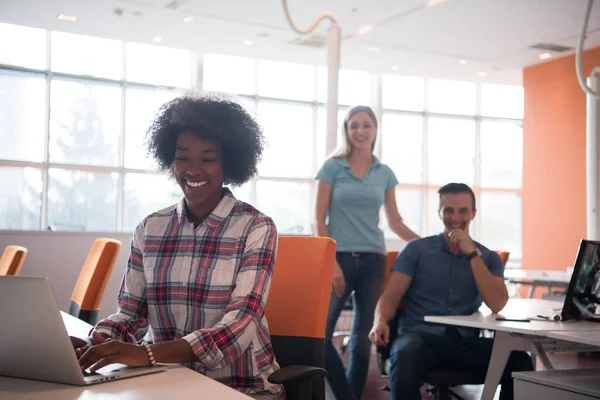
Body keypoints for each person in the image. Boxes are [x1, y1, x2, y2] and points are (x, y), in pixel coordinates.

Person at [70, 94, 283, 399]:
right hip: (167, 383)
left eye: (208, 159)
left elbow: (238, 325)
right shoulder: (150, 228)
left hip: (241, 387)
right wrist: (99, 341)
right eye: (182, 158)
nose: (193, 170)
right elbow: (131, 314)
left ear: (229, 163)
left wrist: (147, 354)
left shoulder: (256, 227)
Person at [369, 183, 533, 400]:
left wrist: (471, 254)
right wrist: (380, 321)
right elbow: (390, 297)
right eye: (448, 210)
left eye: (463, 210)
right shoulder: (417, 251)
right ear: (439, 212)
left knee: (519, 360)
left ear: (473, 213)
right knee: (404, 352)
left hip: (464, 341)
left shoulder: (488, 257)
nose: (455, 217)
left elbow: (497, 303)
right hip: (420, 337)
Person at [314, 105, 420, 400]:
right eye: (354, 126)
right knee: (320, 338)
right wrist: (331, 262)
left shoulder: (384, 173)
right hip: (339, 259)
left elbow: (395, 221)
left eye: (366, 125)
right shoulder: (332, 167)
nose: (360, 131)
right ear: (346, 130)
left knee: (362, 343)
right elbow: (318, 218)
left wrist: (426, 242)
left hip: (374, 260)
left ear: (375, 130)